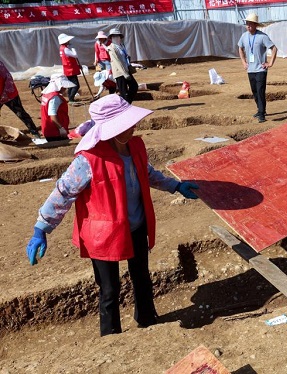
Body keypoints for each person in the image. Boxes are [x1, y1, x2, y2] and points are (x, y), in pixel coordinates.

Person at [26, 94, 200, 336]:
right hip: (103, 234)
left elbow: (148, 174)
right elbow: (63, 193)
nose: (133, 127)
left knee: (142, 277)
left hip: (136, 225)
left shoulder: (136, 147)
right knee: (109, 288)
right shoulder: (89, 159)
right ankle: (111, 334)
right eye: (126, 124)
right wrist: (41, 228)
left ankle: (148, 321)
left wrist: (175, 186)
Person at [238, 13, 278, 123]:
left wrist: (270, 63)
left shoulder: (262, 36)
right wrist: (243, 62)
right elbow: (240, 48)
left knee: (260, 91)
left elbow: (274, 48)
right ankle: (260, 110)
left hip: (261, 69)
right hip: (250, 69)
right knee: (254, 91)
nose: (248, 26)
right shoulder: (244, 36)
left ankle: (261, 113)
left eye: (250, 24)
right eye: (247, 24)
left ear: (256, 25)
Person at [0, 59, 41, 138]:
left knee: (20, 113)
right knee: (21, 113)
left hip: (9, 93)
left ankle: (35, 133)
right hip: (7, 92)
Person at [40, 74, 75, 141]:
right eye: (64, 86)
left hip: (48, 130)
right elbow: (52, 115)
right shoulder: (55, 98)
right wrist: (61, 128)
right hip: (55, 132)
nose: (65, 88)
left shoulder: (47, 94)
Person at [106, 28, 137, 104]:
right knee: (124, 92)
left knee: (134, 86)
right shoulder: (111, 48)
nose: (116, 37)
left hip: (126, 69)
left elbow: (124, 57)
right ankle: (126, 107)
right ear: (111, 37)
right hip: (119, 73)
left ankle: (126, 104)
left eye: (118, 36)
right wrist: (125, 74)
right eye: (114, 36)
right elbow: (117, 61)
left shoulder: (122, 45)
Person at [58, 33, 81, 102]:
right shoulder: (65, 49)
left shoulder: (62, 48)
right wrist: (73, 49)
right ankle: (71, 98)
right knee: (76, 85)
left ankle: (70, 97)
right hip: (71, 69)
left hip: (68, 69)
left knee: (71, 84)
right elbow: (75, 55)